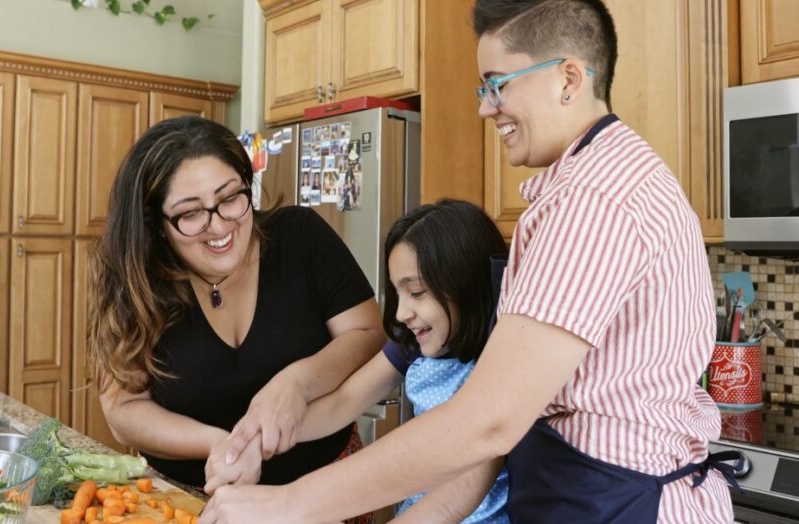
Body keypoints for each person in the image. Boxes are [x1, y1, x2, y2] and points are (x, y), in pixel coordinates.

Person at [200, 1, 737, 522]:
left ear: (569, 79)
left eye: (497, 85)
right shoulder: (606, 179)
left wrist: (289, 505)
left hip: (625, 503)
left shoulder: (593, 201)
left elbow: (489, 422)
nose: (485, 107)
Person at [86, 116, 385, 501]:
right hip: (192, 499)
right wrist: (226, 445)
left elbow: (368, 334)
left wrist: (297, 381)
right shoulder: (136, 278)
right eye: (191, 213)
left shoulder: (301, 237)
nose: (219, 225)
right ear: (157, 224)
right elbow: (124, 411)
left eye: (229, 198)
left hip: (324, 491)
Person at [205, 200, 511, 523]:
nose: (401, 314)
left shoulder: (502, 360)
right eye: (398, 293)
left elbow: (456, 497)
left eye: (417, 293)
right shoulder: (412, 345)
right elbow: (343, 401)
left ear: (466, 286)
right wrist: (258, 439)